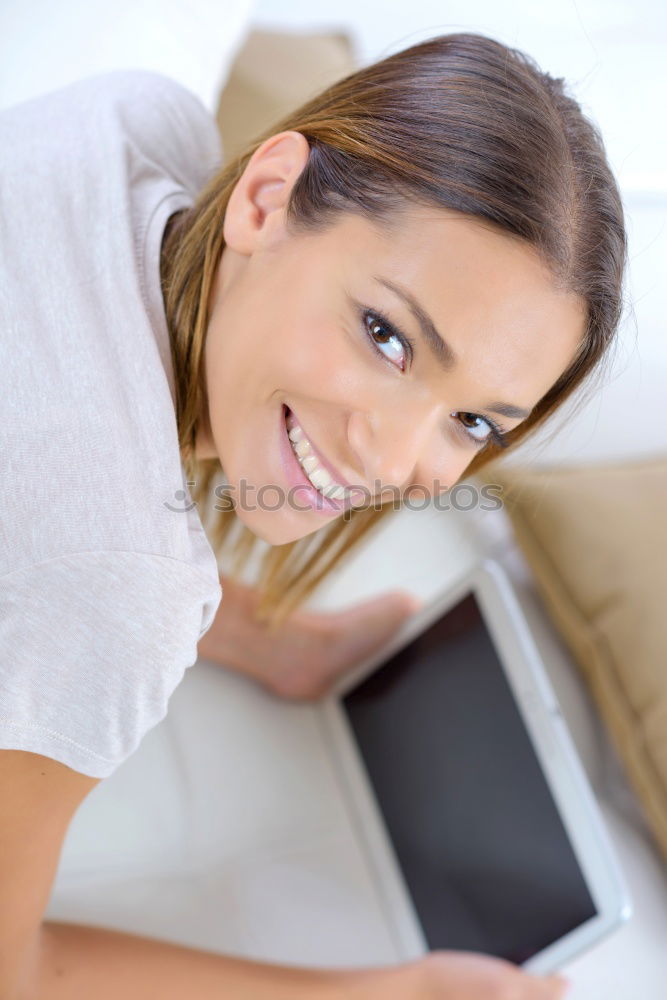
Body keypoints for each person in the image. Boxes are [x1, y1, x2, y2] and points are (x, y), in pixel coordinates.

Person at [0, 29, 626, 1000]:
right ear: (264, 196)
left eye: (469, 420)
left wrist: (249, 632)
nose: (392, 456)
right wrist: (381, 993)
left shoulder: (134, 125)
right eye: (386, 336)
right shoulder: (117, 586)